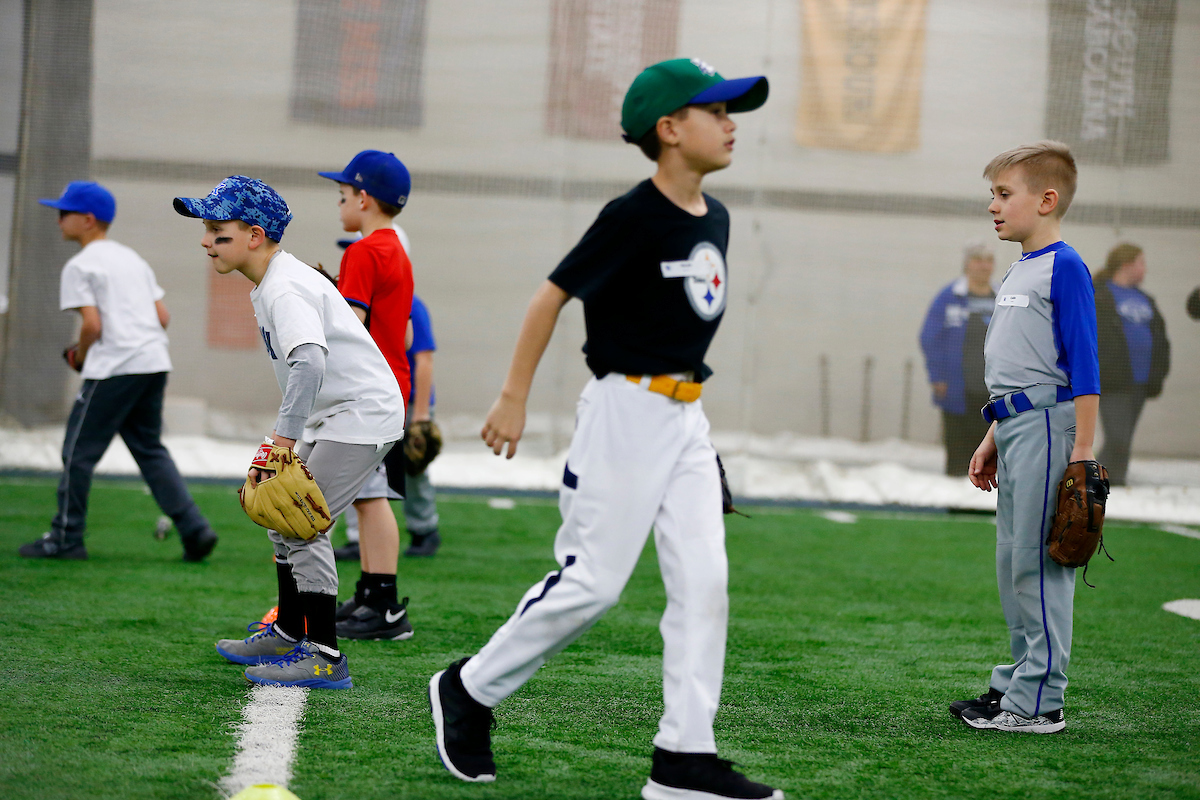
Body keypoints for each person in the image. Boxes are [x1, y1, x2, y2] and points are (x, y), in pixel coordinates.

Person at [427, 58, 782, 800]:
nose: (731, 123)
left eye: (731, 111)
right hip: (623, 414)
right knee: (593, 584)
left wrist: (692, 434)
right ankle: (469, 688)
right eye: (715, 111)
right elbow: (549, 298)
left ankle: (684, 758)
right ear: (670, 129)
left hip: (685, 418)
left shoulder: (713, 217)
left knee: (706, 582)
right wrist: (512, 396)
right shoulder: (631, 216)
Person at [173, 175, 405, 687]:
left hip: (360, 415)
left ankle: (324, 656)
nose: (206, 240)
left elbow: (310, 363)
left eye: (217, 229)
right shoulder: (274, 281)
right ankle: (287, 630)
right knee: (284, 518)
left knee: (302, 522)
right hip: (342, 413)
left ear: (255, 235)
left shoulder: (284, 285)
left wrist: (283, 439)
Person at [958, 141, 1101, 734]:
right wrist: (993, 435)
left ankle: (1041, 701)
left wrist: (1082, 455)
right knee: (1012, 562)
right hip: (1017, 426)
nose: (992, 206)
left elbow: (1085, 368)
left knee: (1040, 566)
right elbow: (1023, 366)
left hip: (1050, 429)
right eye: (992, 194)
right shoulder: (1021, 267)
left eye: (1003, 194)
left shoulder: (1065, 266)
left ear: (1046, 200)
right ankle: (1018, 681)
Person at [19, 181, 218, 562]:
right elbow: (162, 316)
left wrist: (80, 355)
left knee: (77, 452)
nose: (59, 220)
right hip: (153, 363)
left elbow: (92, 326)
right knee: (149, 449)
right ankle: (194, 529)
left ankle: (66, 537)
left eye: (64, 213)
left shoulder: (80, 265)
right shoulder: (131, 258)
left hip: (114, 369)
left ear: (87, 220)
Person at [314, 151, 417, 642]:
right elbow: (409, 332)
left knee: (371, 498)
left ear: (364, 198)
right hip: (394, 382)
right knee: (370, 497)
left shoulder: (362, 251)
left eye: (343, 195)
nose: (340, 205)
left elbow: (351, 327)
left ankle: (386, 607)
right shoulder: (396, 246)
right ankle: (376, 596)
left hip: (370, 392)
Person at [1092, 243, 1170, 486]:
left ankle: (1116, 479)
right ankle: (1092, 478)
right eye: (1141, 262)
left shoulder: (1145, 299)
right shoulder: (1101, 294)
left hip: (1140, 381)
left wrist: (1159, 371)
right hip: (1113, 379)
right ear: (1126, 264)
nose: (1144, 269)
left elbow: (1160, 337)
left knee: (1125, 437)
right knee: (1118, 437)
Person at [918, 242, 997, 475]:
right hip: (956, 388)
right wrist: (937, 376)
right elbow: (929, 338)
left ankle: (983, 500)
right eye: (978, 260)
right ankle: (955, 497)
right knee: (958, 447)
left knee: (988, 448)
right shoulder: (949, 297)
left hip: (992, 388)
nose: (983, 266)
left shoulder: (1002, 296)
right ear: (967, 264)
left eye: (988, 260)